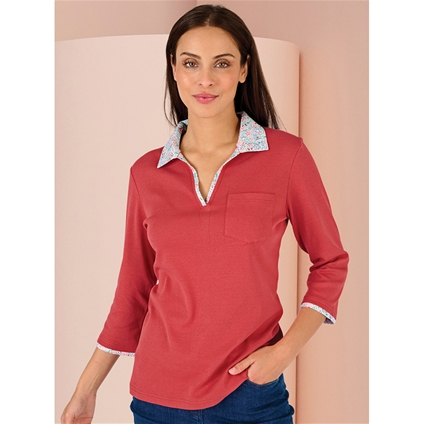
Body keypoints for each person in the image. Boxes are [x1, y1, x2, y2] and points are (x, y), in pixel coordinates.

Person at [60, 4, 349, 424]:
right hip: (157, 398)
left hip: (250, 394)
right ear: (174, 69)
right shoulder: (146, 173)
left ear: (244, 69)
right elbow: (134, 289)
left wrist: (284, 352)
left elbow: (331, 261)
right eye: (191, 63)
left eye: (222, 63)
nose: (205, 79)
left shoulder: (286, 157)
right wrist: (86, 389)